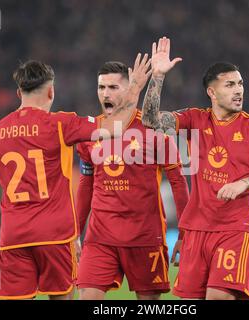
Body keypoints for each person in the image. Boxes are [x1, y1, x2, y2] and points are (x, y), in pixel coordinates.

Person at [0, 56, 151, 300]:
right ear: (51, 92)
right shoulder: (61, 124)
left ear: (19, 93)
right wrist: (135, 89)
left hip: (13, 238)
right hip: (55, 236)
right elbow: (115, 128)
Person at [141, 37, 249, 300]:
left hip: (234, 228)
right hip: (196, 229)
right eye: (230, 85)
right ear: (212, 92)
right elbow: (150, 120)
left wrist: (244, 183)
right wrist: (158, 76)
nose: (238, 90)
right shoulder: (195, 119)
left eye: (240, 84)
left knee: (219, 296)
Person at [76, 61, 190, 300]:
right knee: (87, 296)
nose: (105, 93)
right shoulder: (90, 132)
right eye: (101, 87)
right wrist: (75, 232)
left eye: (113, 87)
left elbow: (179, 183)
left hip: (145, 237)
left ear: (130, 90)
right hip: (100, 237)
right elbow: (86, 185)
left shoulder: (154, 131)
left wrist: (183, 235)